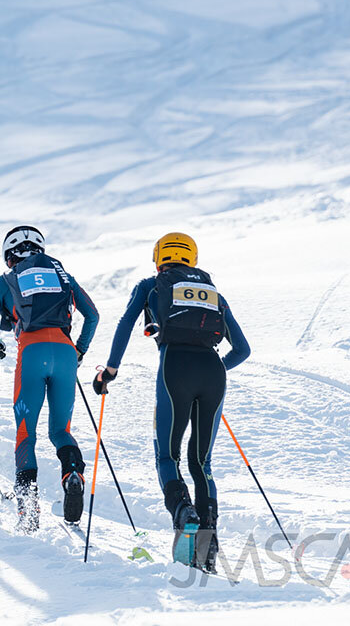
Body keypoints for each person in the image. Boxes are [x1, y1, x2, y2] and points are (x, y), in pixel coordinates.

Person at [95, 232, 250, 571]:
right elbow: (243, 349)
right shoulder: (214, 294)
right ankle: (208, 546)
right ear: (190, 258)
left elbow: (124, 324)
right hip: (213, 371)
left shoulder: (151, 284)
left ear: (159, 257)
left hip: (173, 366)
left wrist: (110, 371)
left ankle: (183, 513)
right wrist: (214, 372)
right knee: (202, 463)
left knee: (168, 456)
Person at [0, 226, 99, 531]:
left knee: (25, 432)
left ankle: (28, 511)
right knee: (60, 431)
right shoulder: (63, 276)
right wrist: (78, 351)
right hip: (65, 354)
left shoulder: (5, 281)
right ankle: (73, 475)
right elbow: (92, 315)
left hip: (31, 352)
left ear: (9, 255)